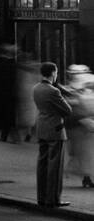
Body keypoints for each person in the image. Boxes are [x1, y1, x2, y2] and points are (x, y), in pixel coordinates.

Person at [33, 62, 73, 208]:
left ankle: (41, 198)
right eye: (56, 73)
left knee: (42, 164)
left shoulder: (36, 88)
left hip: (42, 127)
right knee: (55, 166)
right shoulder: (53, 91)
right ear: (53, 73)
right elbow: (67, 110)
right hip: (55, 130)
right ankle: (53, 199)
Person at [0, 43, 19, 142]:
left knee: (6, 114)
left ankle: (5, 135)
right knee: (9, 114)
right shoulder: (12, 64)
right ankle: (9, 135)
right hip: (10, 93)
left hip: (2, 92)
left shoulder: (0, 63)